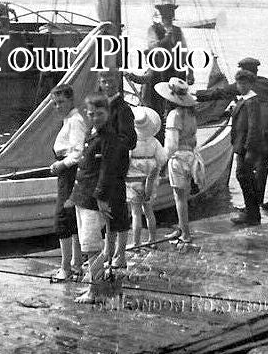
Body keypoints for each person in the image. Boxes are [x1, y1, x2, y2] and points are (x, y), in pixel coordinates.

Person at [69, 93, 130, 304]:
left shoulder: (109, 139)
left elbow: (108, 171)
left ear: (108, 113)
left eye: (100, 114)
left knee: (92, 247)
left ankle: (94, 291)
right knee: (88, 246)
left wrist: (101, 199)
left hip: (93, 200)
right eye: (92, 114)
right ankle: (93, 287)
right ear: (87, 113)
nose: (95, 117)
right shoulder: (92, 133)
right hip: (82, 197)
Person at [196, 57, 268, 210]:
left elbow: (218, 93)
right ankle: (261, 204)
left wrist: (195, 94)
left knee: (244, 173)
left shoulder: (244, 85)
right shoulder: (267, 83)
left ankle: (252, 208)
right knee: (262, 169)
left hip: (255, 136)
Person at [155, 77, 203, 244]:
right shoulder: (191, 114)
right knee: (184, 196)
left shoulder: (174, 116)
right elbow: (194, 139)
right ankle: (183, 229)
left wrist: (161, 162)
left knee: (179, 198)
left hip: (178, 159)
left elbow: (171, 145)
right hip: (190, 157)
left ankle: (185, 234)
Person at [47, 84, 86, 282]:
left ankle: (65, 268)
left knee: (62, 218)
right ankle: (76, 264)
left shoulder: (75, 121)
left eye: (61, 102)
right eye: (55, 103)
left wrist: (61, 165)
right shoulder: (68, 120)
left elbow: (78, 153)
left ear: (71, 101)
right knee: (71, 217)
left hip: (70, 173)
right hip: (66, 174)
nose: (58, 106)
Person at [119, 107, 166, 252]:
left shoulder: (131, 144)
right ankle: (153, 239)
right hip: (150, 180)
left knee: (135, 213)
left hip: (133, 182)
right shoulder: (154, 142)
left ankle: (137, 242)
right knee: (149, 211)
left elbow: (125, 161)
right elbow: (162, 159)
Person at [229, 70, 268, 226]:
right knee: (246, 177)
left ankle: (252, 214)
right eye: (239, 83)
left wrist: (250, 150)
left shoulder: (252, 101)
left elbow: (254, 127)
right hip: (242, 146)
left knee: (243, 176)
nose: (241, 86)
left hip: (247, 147)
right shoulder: (245, 100)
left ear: (251, 84)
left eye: (244, 83)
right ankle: (252, 211)